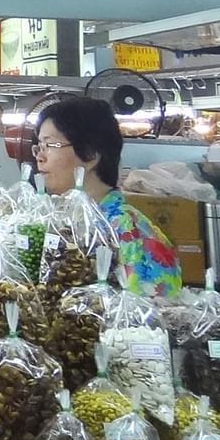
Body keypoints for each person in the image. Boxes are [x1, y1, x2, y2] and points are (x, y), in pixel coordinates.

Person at [34, 96, 183, 296]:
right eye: (39, 146)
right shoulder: (60, 223)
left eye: (50, 145)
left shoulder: (130, 233)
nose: (40, 157)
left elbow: (146, 318)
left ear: (90, 154)